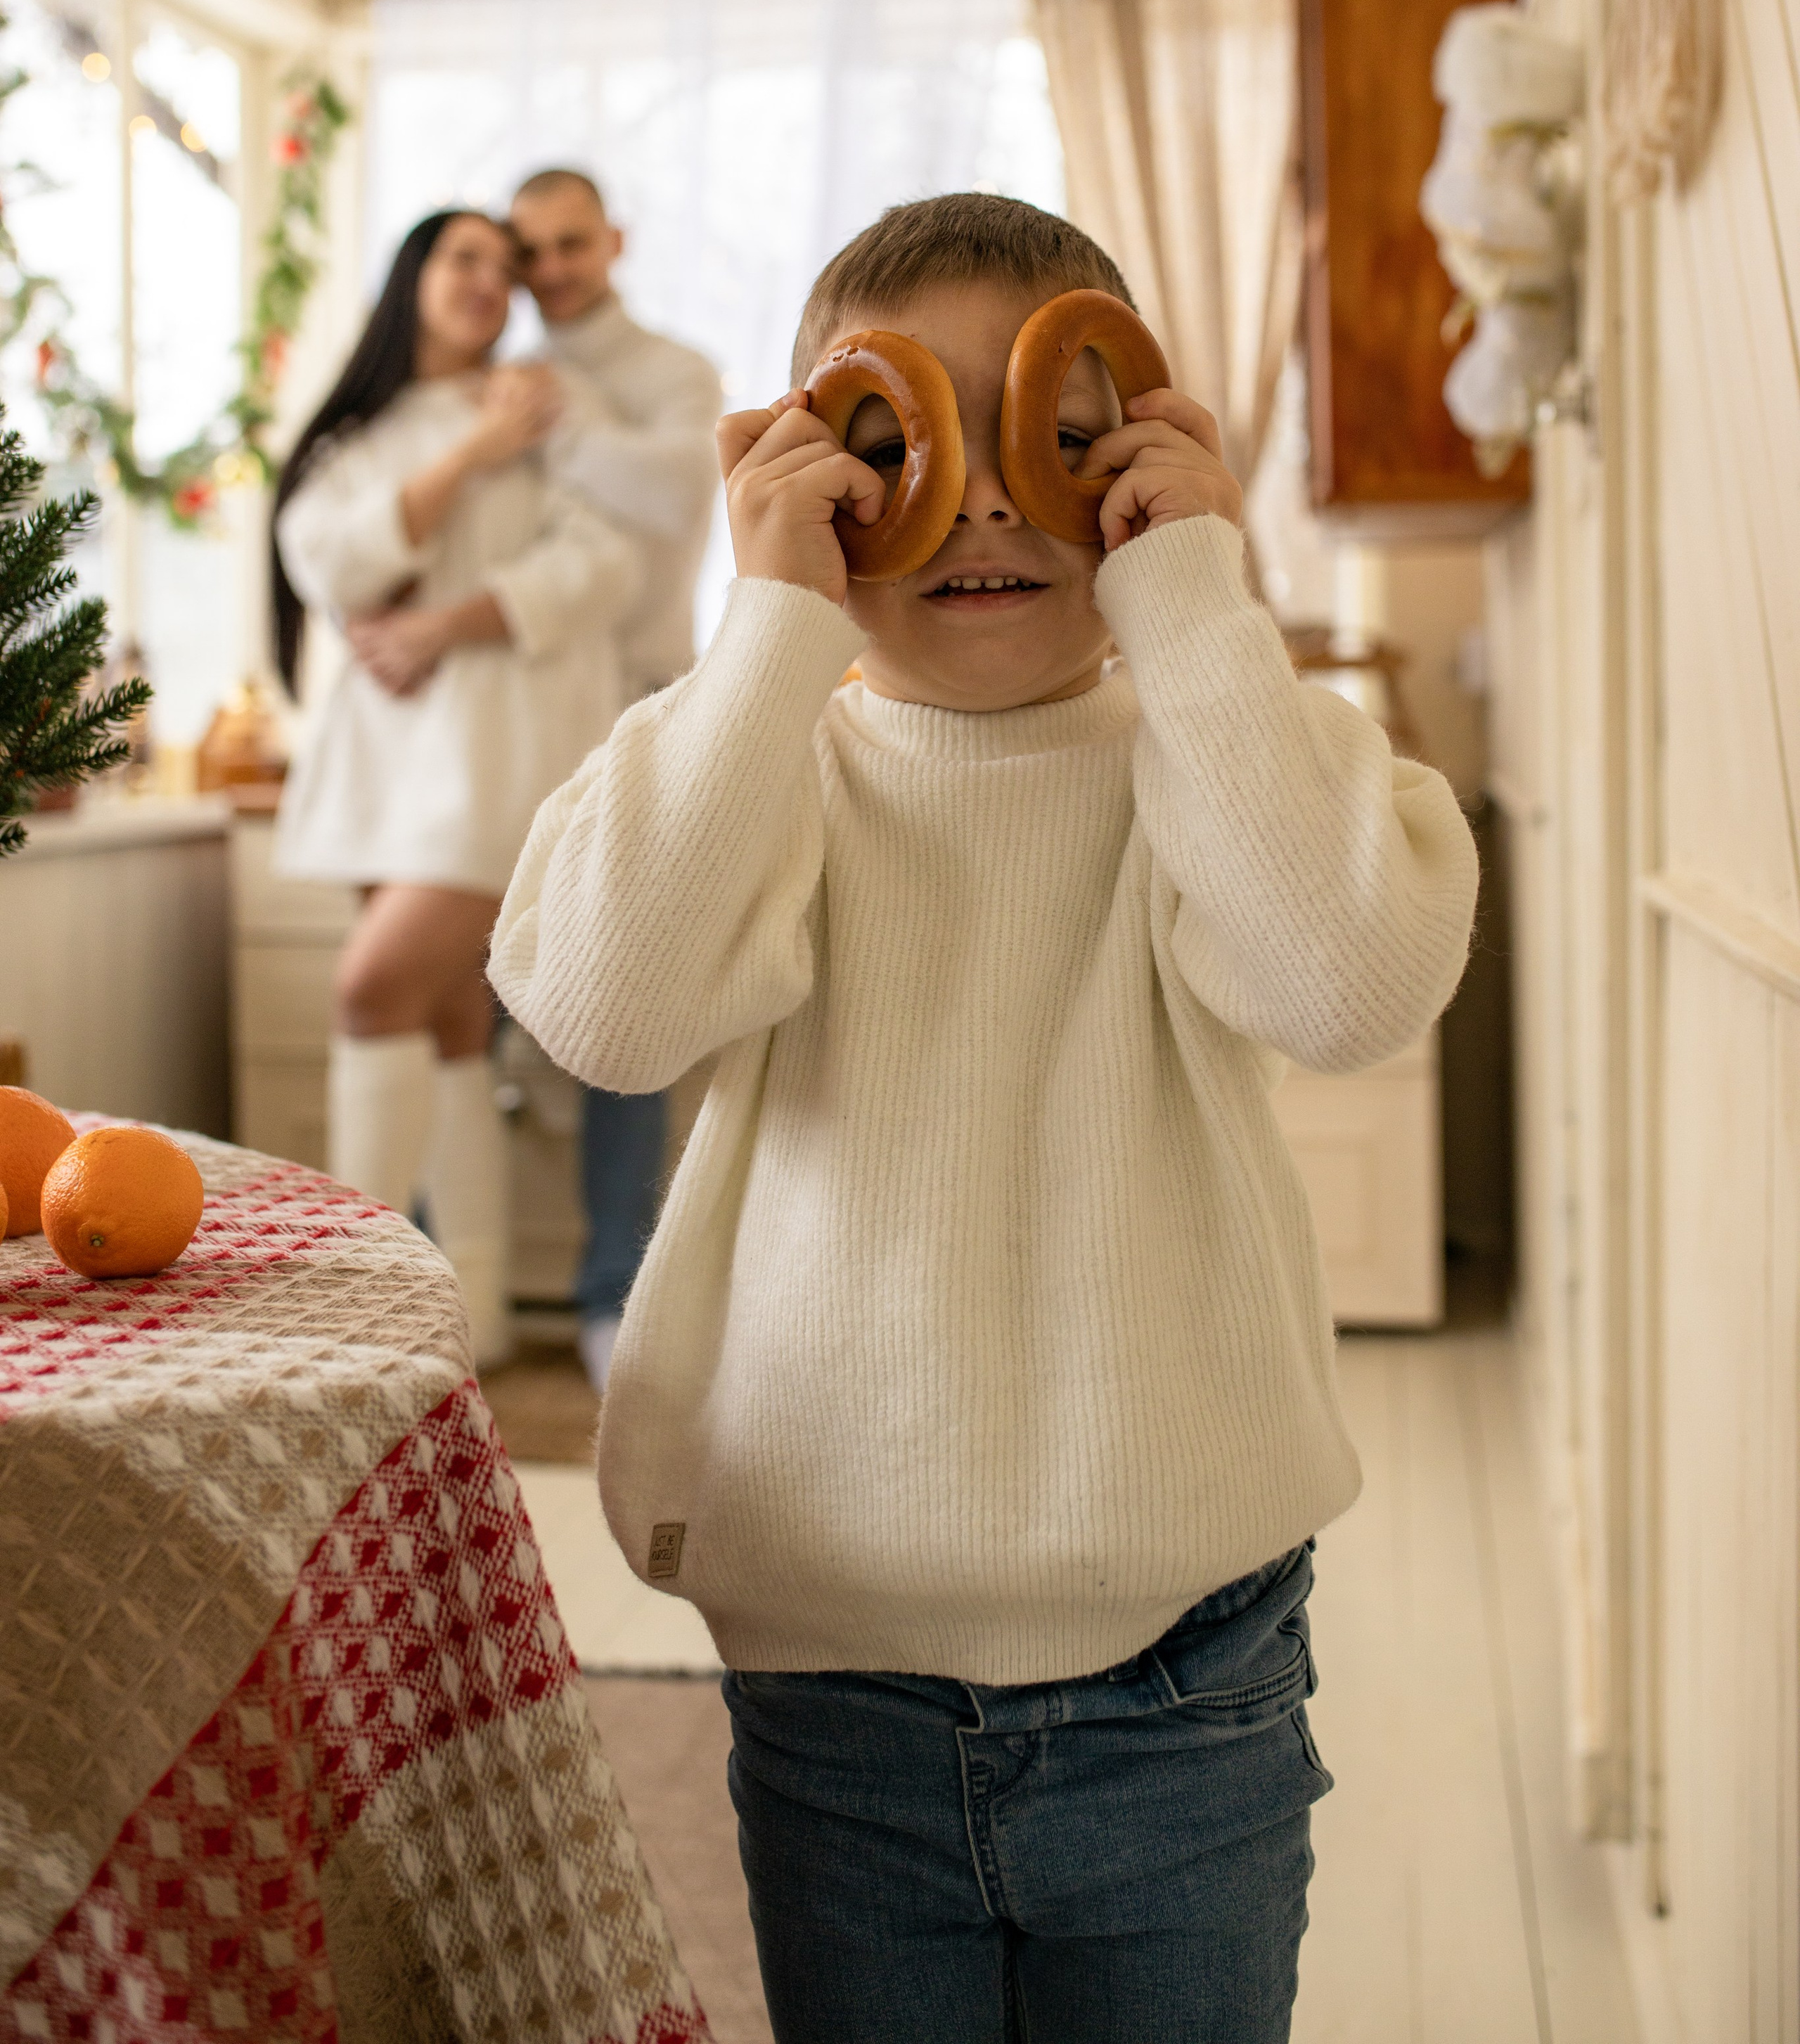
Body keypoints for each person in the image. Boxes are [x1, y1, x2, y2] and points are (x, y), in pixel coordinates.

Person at [490, 194, 1478, 2043]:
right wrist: (771, 628)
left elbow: (1347, 988)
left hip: (1186, 1676)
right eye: (894, 446)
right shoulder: (752, 767)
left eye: (1059, 437)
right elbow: (606, 1015)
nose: (985, 502)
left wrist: (1192, 596)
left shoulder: (1214, 757)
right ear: (799, 473)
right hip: (830, 1683)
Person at [271, 207, 640, 1367]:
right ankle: (467, 1318)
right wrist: (471, 455)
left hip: (499, 758)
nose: (490, 279)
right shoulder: (364, 434)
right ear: (412, 274)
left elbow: (608, 563)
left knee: (370, 988)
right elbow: (328, 562)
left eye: (505, 264)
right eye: (463, 257)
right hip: (388, 768)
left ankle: (349, 1308)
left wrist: (440, 625)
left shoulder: (548, 404)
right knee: (446, 1029)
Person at [508, 167, 723, 1394]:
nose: (551, 269)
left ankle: (613, 1299)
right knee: (475, 1003)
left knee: (621, 1014)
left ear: (615, 241)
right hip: (517, 722)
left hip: (640, 716)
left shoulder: (674, 373)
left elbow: (676, 491)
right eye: (530, 250)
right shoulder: (498, 380)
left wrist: (564, 425)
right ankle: (444, 1269)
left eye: (571, 243)